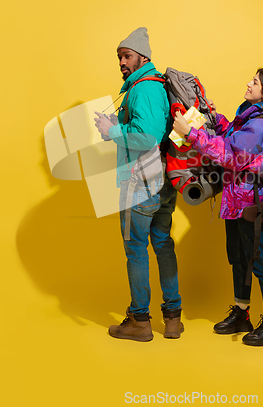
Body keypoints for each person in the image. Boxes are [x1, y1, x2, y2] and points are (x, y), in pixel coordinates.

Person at [173, 67, 263, 346]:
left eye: (254, 82)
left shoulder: (260, 124)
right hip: (237, 200)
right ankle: (241, 312)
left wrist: (190, 132)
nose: (248, 84)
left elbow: (229, 154)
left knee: (260, 261)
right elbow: (232, 137)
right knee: (239, 257)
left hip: (253, 203)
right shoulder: (249, 115)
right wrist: (216, 118)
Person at [94, 27, 183, 342]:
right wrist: (122, 124)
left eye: (127, 55)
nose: (121, 61)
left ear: (142, 57)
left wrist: (112, 131)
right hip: (163, 180)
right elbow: (152, 128)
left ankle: (140, 321)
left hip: (141, 179)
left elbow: (147, 136)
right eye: (119, 56)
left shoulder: (142, 89)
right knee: (162, 243)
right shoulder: (154, 85)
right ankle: (173, 318)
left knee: (136, 249)